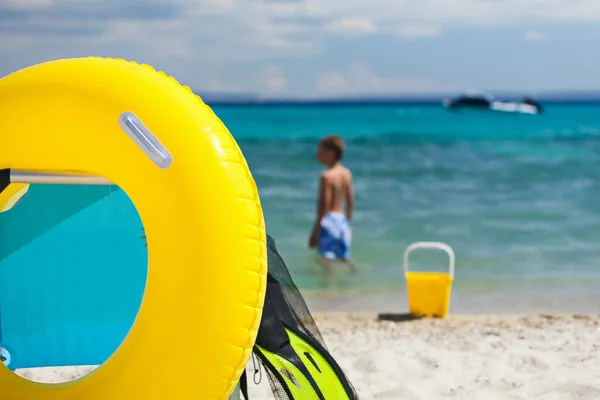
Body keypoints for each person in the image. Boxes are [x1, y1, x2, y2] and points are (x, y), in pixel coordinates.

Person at [308, 135, 356, 274]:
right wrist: (349, 222)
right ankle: (354, 275)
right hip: (342, 221)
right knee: (344, 257)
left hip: (329, 220)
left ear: (332, 153)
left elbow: (325, 203)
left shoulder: (326, 176)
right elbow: (350, 200)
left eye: (321, 152)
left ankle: (328, 287)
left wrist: (316, 230)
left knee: (325, 258)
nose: (317, 155)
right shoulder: (346, 173)